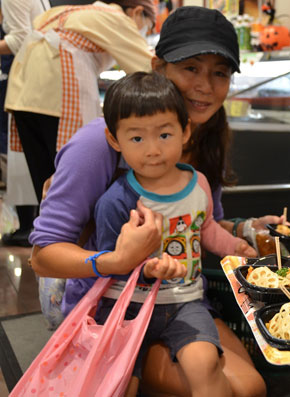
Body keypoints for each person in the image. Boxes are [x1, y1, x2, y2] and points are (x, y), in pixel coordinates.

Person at [29, 6, 276, 396]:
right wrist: (116, 260)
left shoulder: (206, 141)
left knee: (250, 389)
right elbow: (43, 257)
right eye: (191, 68)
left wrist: (248, 230)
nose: (205, 86)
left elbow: (201, 225)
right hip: (103, 303)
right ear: (158, 67)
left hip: (180, 299)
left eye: (220, 73)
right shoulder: (101, 142)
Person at [94, 71, 250, 395]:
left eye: (164, 135)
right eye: (136, 138)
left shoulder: (199, 185)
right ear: (114, 140)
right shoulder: (117, 200)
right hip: (127, 307)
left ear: (185, 131)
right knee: (119, 383)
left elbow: (205, 228)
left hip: (185, 302)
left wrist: (236, 246)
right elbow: (109, 260)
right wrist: (145, 266)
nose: (152, 150)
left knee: (204, 362)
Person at [4, 0, 155, 212]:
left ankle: (47, 233)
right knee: (70, 174)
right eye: (147, 27)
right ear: (138, 12)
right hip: (56, 94)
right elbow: (148, 66)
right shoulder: (114, 16)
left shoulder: (70, 12)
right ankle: (68, 236)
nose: (143, 32)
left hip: (23, 94)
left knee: (44, 179)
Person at [0, 0, 51, 247]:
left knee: (32, 161)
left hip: (28, 86)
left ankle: (38, 230)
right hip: (42, 86)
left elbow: (21, 39)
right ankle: (42, 228)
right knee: (42, 163)